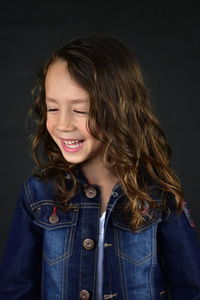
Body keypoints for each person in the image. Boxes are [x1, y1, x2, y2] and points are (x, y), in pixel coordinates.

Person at [0, 36, 200, 300]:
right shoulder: (38, 195)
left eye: (80, 110)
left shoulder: (159, 195)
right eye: (52, 108)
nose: (62, 124)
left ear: (119, 109)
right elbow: (16, 290)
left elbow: (191, 288)